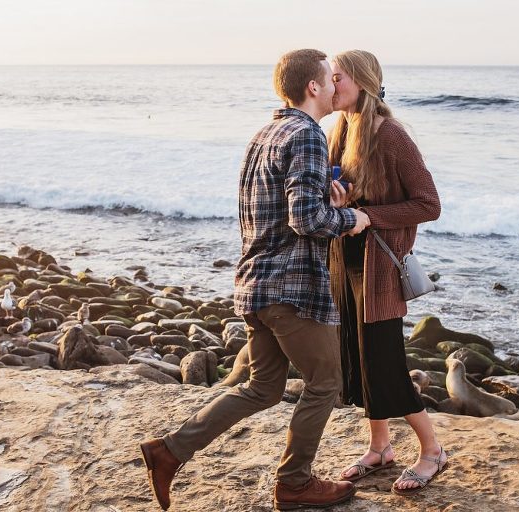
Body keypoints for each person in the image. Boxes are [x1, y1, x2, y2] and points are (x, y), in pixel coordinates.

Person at [139, 48, 371, 511]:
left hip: (254, 283)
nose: (332, 85)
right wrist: (352, 219)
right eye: (328, 78)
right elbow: (306, 218)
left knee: (262, 387)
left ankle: (169, 451)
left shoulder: (265, 132)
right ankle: (295, 483)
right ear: (313, 87)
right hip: (291, 289)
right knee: (326, 382)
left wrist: (326, 198)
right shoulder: (306, 134)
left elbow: (276, 207)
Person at [326, 50, 448, 496]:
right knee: (357, 363)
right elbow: (346, 197)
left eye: (336, 77)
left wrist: (369, 216)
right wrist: (339, 200)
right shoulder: (340, 127)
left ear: (360, 82)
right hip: (345, 264)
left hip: (379, 270)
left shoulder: (392, 135)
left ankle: (432, 450)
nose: (328, 84)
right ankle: (380, 447)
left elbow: (428, 204)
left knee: (387, 366)